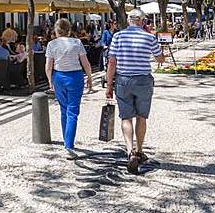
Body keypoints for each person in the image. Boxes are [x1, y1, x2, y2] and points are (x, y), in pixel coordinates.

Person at [105, 9, 165, 175]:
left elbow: (111, 62)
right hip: (143, 80)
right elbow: (159, 58)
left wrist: (109, 85)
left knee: (126, 117)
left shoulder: (118, 36)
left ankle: (130, 151)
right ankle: (139, 150)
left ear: (129, 20)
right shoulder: (149, 37)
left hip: (123, 80)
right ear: (142, 21)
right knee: (141, 117)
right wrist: (163, 52)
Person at [44, 17, 94, 153]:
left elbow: (48, 66)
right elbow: (85, 63)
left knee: (64, 109)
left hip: (59, 76)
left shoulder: (51, 45)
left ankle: (67, 141)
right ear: (69, 30)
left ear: (56, 30)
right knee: (72, 111)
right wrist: (89, 77)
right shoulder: (77, 43)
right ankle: (69, 145)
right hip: (75, 77)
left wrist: (50, 80)